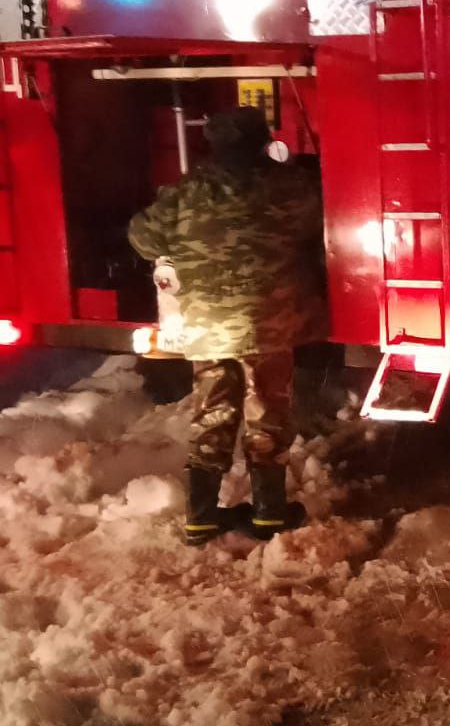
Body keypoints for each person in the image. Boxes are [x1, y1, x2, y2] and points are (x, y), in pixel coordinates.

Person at [128, 106, 325, 545]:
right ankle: (269, 515)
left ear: (213, 144)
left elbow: (142, 238)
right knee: (267, 414)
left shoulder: (186, 191)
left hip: (207, 326)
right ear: (263, 142)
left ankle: (200, 517)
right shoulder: (289, 186)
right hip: (269, 323)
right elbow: (318, 226)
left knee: (213, 414)